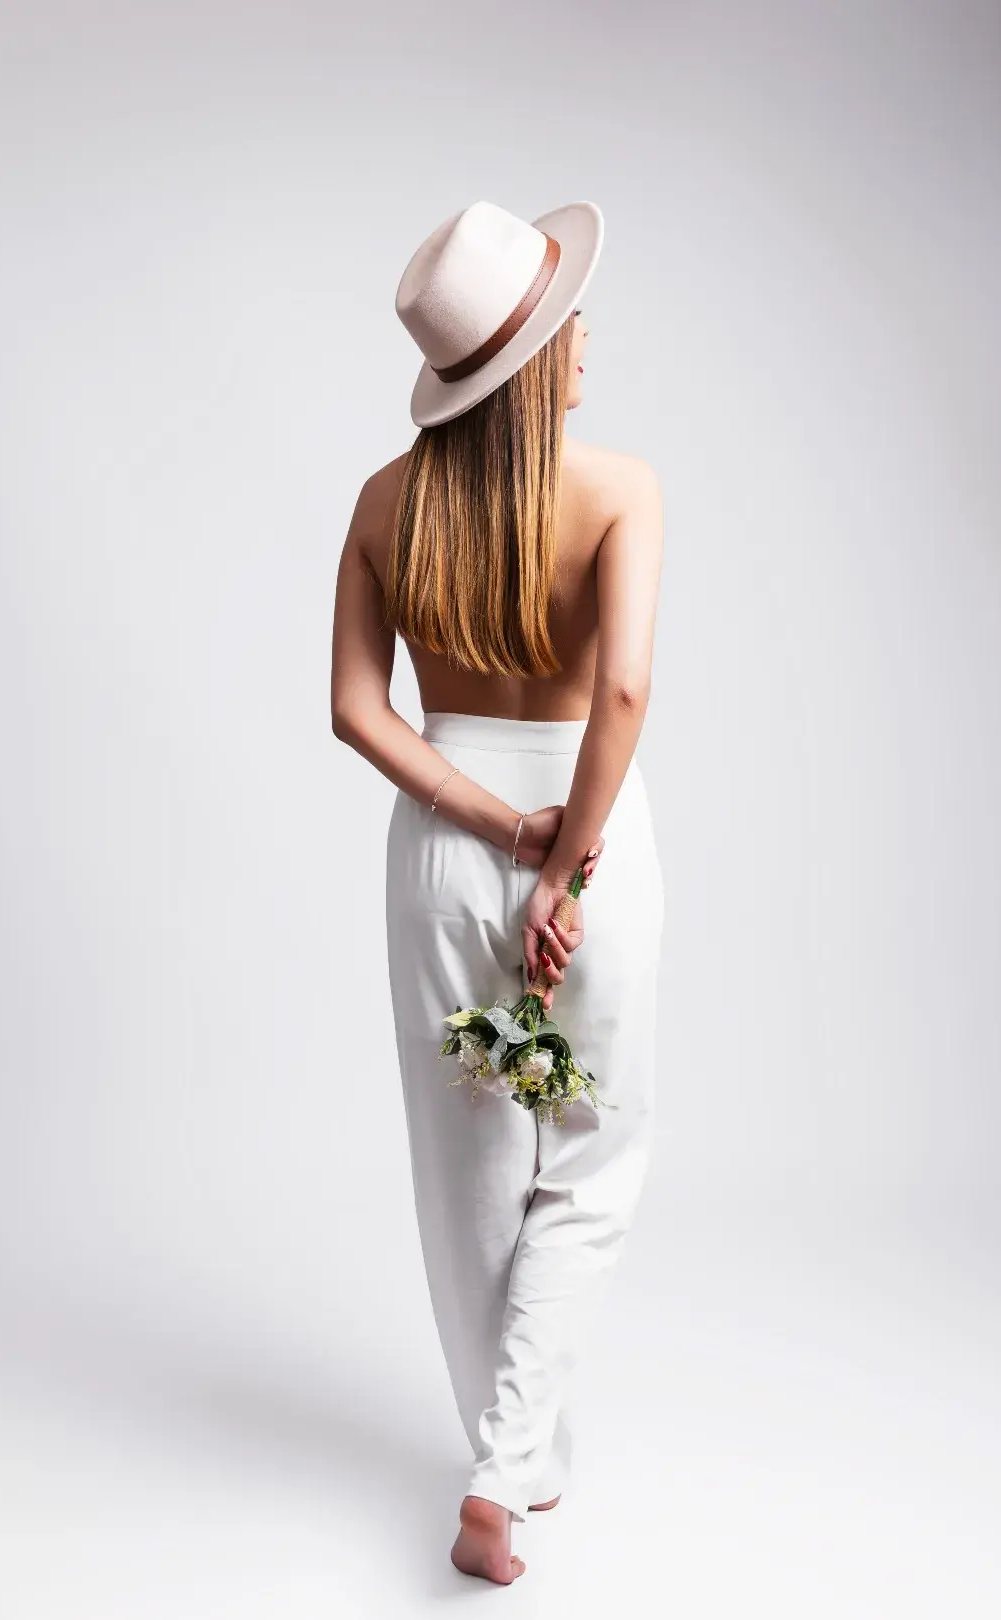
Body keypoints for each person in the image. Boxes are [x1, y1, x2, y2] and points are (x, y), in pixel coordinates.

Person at [330, 198, 665, 1585]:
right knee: (590, 1153)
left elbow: (358, 711)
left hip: (442, 844)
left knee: (467, 1166)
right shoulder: (622, 490)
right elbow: (623, 694)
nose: (588, 339)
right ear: (535, 359)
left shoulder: (383, 504)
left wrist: (492, 827)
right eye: (570, 321)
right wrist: (565, 861)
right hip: (592, 834)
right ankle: (506, 1468)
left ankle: (509, 1463)